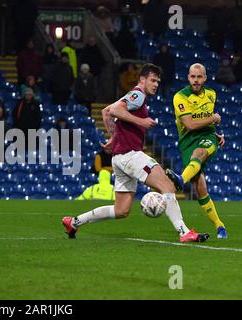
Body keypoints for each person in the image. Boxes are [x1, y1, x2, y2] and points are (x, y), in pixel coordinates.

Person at [62, 63, 210, 243]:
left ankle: (74, 222)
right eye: (152, 80)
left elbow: (106, 111)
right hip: (132, 155)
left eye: (158, 81)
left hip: (119, 158)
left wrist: (114, 137)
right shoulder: (138, 94)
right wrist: (141, 121)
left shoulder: (135, 96)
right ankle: (184, 232)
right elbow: (115, 110)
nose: (156, 84)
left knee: (121, 210)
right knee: (168, 187)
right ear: (142, 79)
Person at [165, 63, 227, 239]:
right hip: (187, 140)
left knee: (200, 152)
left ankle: (180, 180)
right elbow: (190, 125)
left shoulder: (211, 94)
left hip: (206, 138)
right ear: (188, 77)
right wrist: (214, 119)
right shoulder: (180, 97)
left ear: (205, 78)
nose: (196, 80)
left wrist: (215, 133)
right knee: (200, 188)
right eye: (193, 77)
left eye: (199, 77)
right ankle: (220, 225)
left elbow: (206, 122)